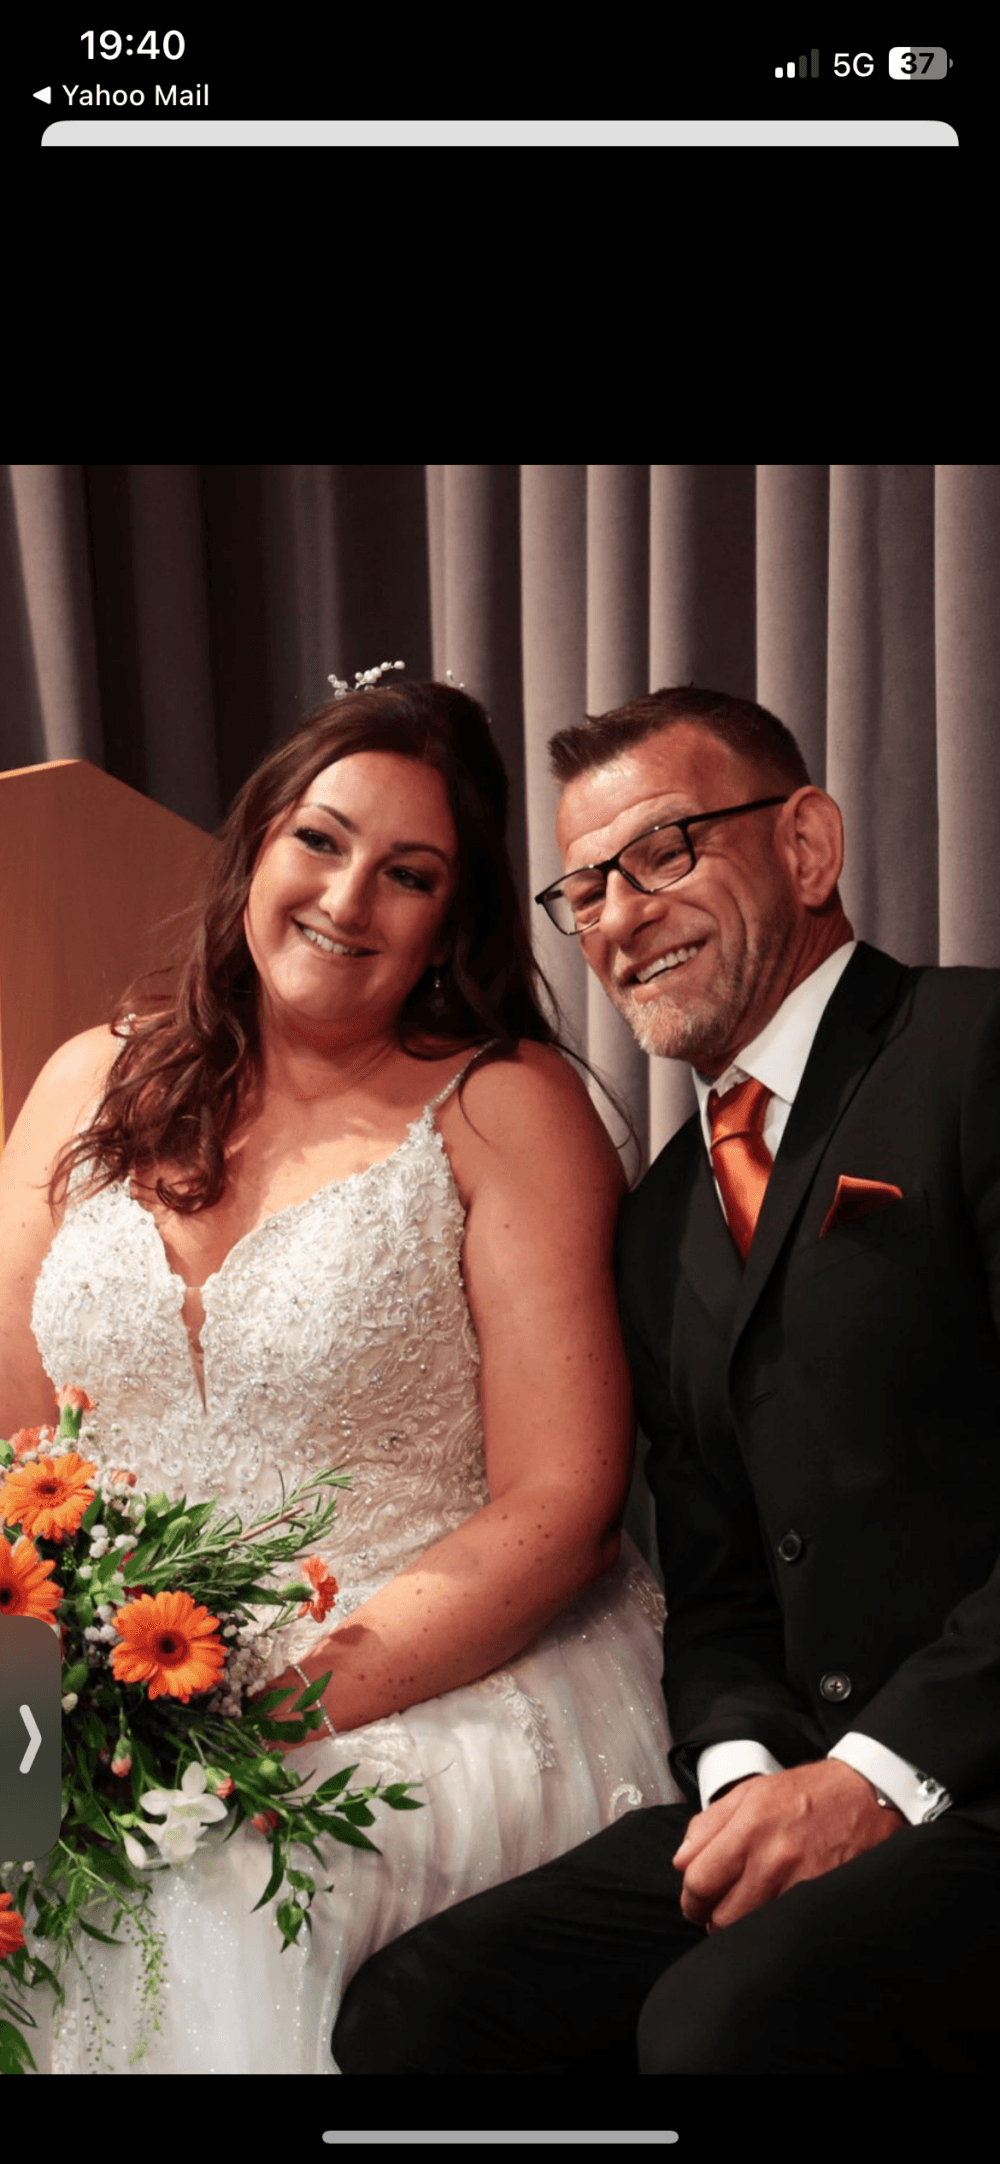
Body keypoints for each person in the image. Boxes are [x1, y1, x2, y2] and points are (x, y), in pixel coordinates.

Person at [0, 672, 679, 2075]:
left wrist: (260, 1718)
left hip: (418, 1673)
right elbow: (10, 1417)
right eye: (320, 839)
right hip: (107, 1666)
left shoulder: (508, 1111)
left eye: (408, 874)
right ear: (256, 844)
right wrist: (45, 1679)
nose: (346, 897)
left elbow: (564, 1507)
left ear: (453, 920)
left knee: (195, 1893)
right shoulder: (86, 1081)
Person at [331, 684, 1000, 2077]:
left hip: (978, 1766)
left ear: (807, 846)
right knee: (420, 2011)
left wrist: (873, 1779)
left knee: (715, 2029)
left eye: (667, 851)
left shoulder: (976, 1054)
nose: (621, 917)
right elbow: (718, 1585)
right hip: (793, 1774)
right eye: (583, 889)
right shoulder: (658, 1216)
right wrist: (749, 1774)